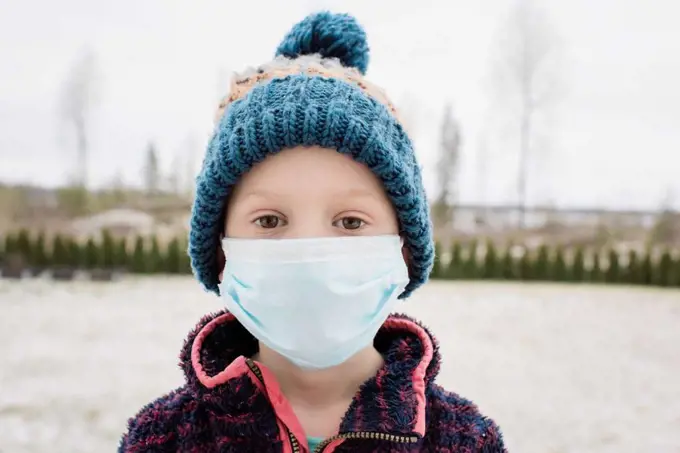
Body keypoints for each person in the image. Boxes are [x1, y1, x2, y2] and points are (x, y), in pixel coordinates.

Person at [119, 11, 506, 453]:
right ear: (221, 253)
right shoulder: (163, 439)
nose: (309, 253)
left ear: (404, 250)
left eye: (350, 222)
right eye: (269, 221)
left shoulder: (462, 440)